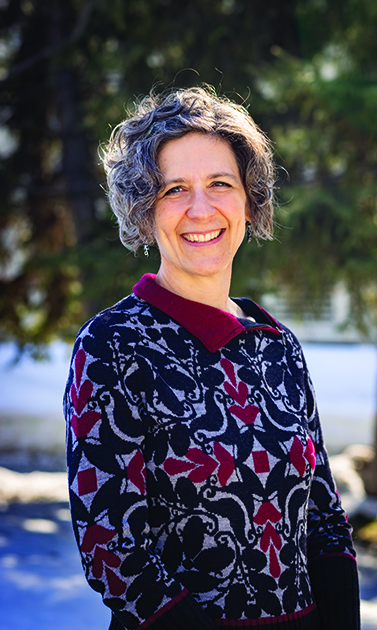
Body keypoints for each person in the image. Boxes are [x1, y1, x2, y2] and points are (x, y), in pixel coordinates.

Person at [64, 86, 359, 629]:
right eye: (175, 188)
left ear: (249, 201)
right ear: (144, 209)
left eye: (221, 184)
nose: (202, 209)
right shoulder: (111, 346)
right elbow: (111, 548)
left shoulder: (278, 346)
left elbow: (324, 515)